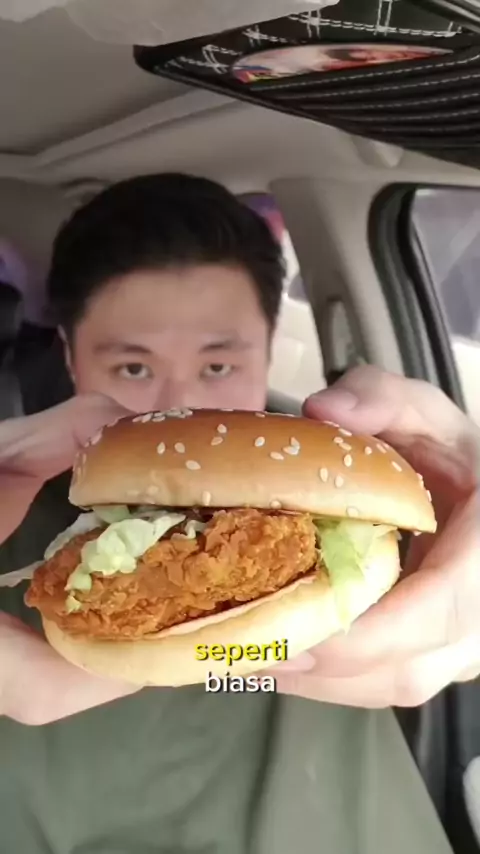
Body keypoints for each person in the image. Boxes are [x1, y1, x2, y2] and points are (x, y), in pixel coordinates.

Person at [0, 173, 478, 854]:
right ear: (72, 361)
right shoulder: (17, 518)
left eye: (219, 366)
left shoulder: (353, 482)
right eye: (134, 368)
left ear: (268, 348)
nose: (183, 403)